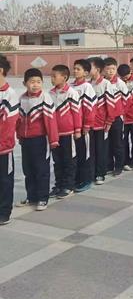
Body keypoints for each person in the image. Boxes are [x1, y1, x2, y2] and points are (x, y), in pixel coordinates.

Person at [16, 69, 59, 211]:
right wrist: (19, 135)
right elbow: (19, 120)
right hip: (26, 141)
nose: (35, 85)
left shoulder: (45, 98)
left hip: (41, 140)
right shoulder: (22, 98)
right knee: (28, 169)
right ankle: (32, 196)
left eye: (38, 82)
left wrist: (53, 140)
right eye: (32, 82)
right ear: (24, 83)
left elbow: (50, 121)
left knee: (41, 169)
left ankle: (42, 198)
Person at [49, 65, 82, 199]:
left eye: (54, 76)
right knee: (57, 161)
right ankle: (58, 185)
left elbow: (77, 112)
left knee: (69, 160)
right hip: (55, 134)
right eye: (51, 76)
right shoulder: (50, 93)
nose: (51, 79)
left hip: (68, 133)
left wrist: (78, 129)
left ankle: (69, 186)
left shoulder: (71, 93)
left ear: (64, 77)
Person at [71, 59, 97, 192]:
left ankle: (87, 179)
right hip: (73, 128)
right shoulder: (70, 86)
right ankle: (76, 178)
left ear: (86, 73)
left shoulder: (87, 87)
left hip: (84, 127)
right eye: (74, 68)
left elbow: (90, 108)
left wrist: (87, 125)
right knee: (76, 154)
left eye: (78, 69)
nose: (75, 71)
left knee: (85, 153)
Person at [89, 57, 116, 185]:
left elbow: (111, 104)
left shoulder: (106, 84)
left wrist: (109, 121)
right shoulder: (88, 85)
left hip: (101, 123)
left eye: (90, 68)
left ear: (98, 69)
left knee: (101, 148)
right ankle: (92, 172)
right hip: (89, 124)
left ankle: (100, 173)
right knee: (91, 149)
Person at [0, 56, 19, 225]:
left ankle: (4, 211)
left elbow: (8, 125)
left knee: (4, 180)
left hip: (3, 147)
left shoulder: (10, 94)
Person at [104, 57, 128, 176]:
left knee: (118, 142)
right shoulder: (102, 83)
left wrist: (120, 111)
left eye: (113, 69)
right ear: (103, 70)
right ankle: (108, 165)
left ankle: (119, 166)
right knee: (107, 143)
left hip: (117, 118)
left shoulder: (120, 83)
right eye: (108, 69)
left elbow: (126, 99)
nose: (111, 71)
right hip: (104, 119)